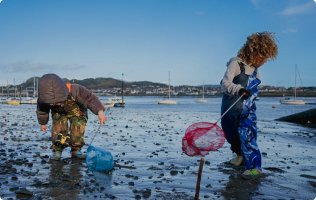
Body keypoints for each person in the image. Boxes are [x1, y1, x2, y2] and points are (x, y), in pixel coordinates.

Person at [220, 31, 278, 179]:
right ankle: (239, 157)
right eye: (263, 57)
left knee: (248, 136)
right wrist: (239, 90)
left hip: (247, 110)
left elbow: (254, 88)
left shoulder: (256, 70)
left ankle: (254, 167)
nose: (265, 61)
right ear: (254, 53)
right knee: (231, 134)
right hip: (230, 107)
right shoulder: (236, 64)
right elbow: (224, 83)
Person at [36, 74, 107, 160]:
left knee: (77, 129)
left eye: (58, 101)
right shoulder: (44, 99)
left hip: (77, 111)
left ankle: (76, 150)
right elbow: (42, 110)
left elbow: (90, 99)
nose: (57, 104)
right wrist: (43, 123)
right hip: (59, 113)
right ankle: (57, 150)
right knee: (58, 129)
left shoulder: (76, 90)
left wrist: (100, 112)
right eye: (53, 103)